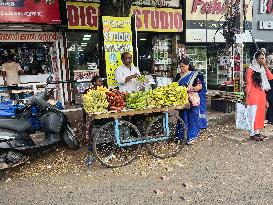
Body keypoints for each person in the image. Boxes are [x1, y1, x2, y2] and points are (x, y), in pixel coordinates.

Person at [175, 57, 207, 145]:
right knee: (183, 117)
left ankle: (192, 137)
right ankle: (182, 137)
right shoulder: (178, 76)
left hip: (192, 100)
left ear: (188, 65)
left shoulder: (194, 75)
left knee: (192, 118)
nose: (182, 68)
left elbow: (199, 86)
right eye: (180, 66)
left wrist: (191, 88)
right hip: (182, 99)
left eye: (183, 66)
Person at [245, 50, 273, 141]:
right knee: (254, 114)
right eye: (259, 58)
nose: (261, 60)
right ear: (255, 59)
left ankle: (257, 132)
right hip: (253, 94)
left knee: (261, 113)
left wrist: (265, 66)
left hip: (262, 94)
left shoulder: (262, 69)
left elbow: (271, 77)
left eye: (262, 58)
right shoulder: (250, 69)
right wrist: (246, 97)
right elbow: (248, 84)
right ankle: (252, 134)